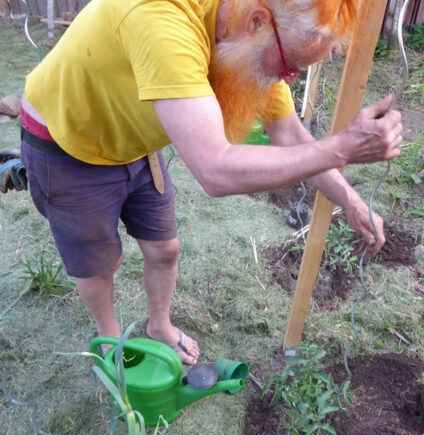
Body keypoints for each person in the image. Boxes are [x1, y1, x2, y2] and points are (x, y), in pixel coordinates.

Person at [19, 0, 403, 365]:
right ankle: (108, 337)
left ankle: (160, 326)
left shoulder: (246, 34)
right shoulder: (164, 20)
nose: (287, 79)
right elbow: (215, 169)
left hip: (131, 141)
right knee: (100, 264)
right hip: (68, 143)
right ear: (256, 22)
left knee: (166, 248)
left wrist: (350, 200)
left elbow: (289, 135)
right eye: (291, 68)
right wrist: (342, 149)